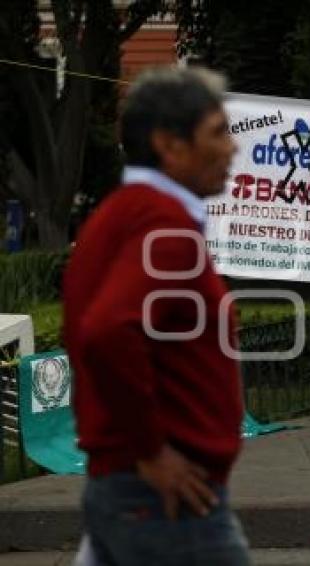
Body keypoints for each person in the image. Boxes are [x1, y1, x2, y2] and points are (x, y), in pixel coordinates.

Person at [63, 67, 248, 565]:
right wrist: (151, 451)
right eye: (218, 132)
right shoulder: (162, 225)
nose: (232, 148)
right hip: (168, 498)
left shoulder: (119, 215)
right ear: (170, 144)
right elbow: (106, 331)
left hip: (126, 485)